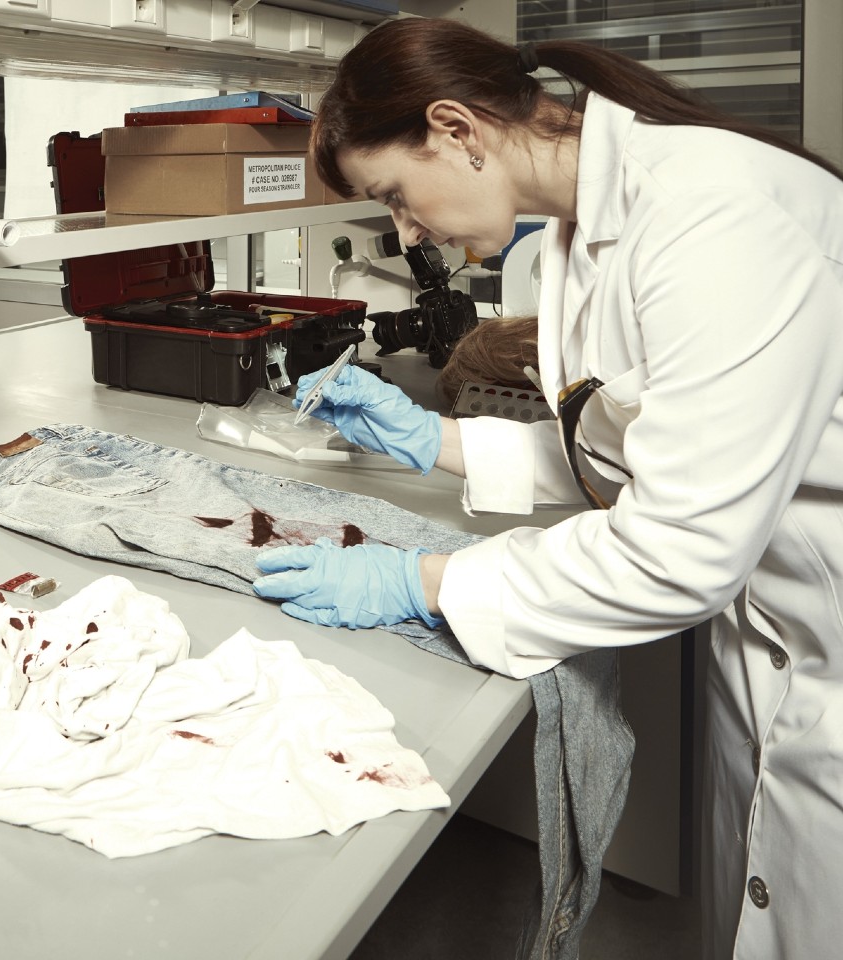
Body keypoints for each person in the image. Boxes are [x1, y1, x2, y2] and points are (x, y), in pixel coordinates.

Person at [253, 16, 843, 959]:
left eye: (397, 197)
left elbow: (678, 545)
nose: (407, 231)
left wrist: (426, 581)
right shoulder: (578, 230)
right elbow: (622, 456)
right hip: (769, 639)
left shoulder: (714, 214)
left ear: (457, 129)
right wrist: (428, 439)